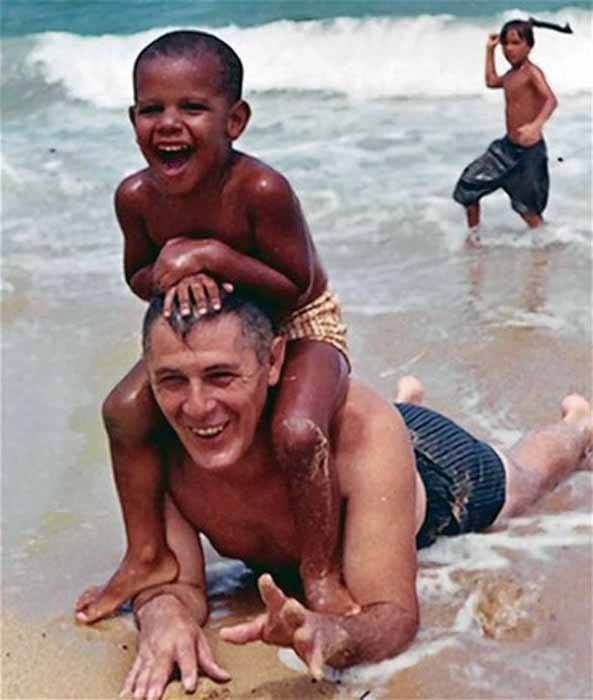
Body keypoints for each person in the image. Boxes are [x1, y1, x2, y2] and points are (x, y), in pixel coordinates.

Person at [117, 293, 591, 700]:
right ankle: (408, 401)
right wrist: (164, 616)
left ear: (274, 360)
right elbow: (172, 578)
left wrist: (333, 633)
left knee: (522, 482)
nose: (196, 407)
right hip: (366, 446)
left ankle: (576, 427)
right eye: (173, 380)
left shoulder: (358, 434)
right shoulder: (156, 444)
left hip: (435, 471)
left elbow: (394, 616)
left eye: (221, 376)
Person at [75, 30, 354, 624]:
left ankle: (321, 571)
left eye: (193, 108)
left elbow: (296, 284)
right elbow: (138, 275)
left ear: (236, 120)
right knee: (123, 411)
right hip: (209, 331)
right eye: (152, 109)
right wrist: (174, 271)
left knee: (300, 430)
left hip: (300, 322)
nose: (169, 124)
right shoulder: (136, 197)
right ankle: (147, 552)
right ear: (132, 119)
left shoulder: (260, 188)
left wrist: (209, 255)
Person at [452, 17, 572, 244]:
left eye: (516, 43)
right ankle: (473, 239)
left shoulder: (531, 73)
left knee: (527, 210)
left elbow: (551, 100)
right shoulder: (509, 75)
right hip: (506, 150)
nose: (509, 49)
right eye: (506, 44)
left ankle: (546, 249)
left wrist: (536, 125)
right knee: (469, 185)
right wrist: (489, 51)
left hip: (529, 154)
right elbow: (490, 81)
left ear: (529, 46)